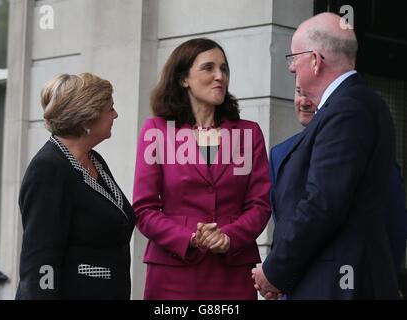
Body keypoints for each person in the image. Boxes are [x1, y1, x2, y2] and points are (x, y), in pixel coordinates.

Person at [252, 12, 399, 299]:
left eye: (294, 58)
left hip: (337, 285)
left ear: (315, 60)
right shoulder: (351, 103)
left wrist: (274, 270)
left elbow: (323, 203)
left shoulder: (348, 108)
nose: (292, 68)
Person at [132, 38, 271, 299]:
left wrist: (229, 237)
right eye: (209, 68)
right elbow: (144, 209)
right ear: (184, 78)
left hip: (232, 270)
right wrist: (189, 238)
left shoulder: (248, 133)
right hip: (173, 272)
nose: (220, 76)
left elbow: (260, 205)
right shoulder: (157, 132)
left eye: (224, 69)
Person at [269, 82, 407, 296]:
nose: (303, 101)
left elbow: (393, 220)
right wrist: (280, 275)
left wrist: (384, 274)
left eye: (310, 94)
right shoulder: (279, 154)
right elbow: (284, 224)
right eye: (298, 92)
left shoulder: (365, 147)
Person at [16, 73, 136, 299]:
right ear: (87, 119)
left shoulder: (94, 160)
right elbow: (41, 260)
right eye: (110, 109)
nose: (116, 115)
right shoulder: (48, 169)